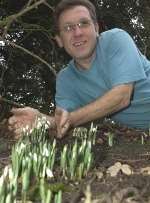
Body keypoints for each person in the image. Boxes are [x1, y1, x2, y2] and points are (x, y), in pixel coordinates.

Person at [8, 0, 150, 138]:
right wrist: (41, 121)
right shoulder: (66, 80)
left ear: (96, 28)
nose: (78, 33)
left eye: (84, 23)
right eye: (68, 27)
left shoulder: (115, 39)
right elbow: (62, 123)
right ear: (59, 40)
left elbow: (122, 97)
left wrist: (70, 119)